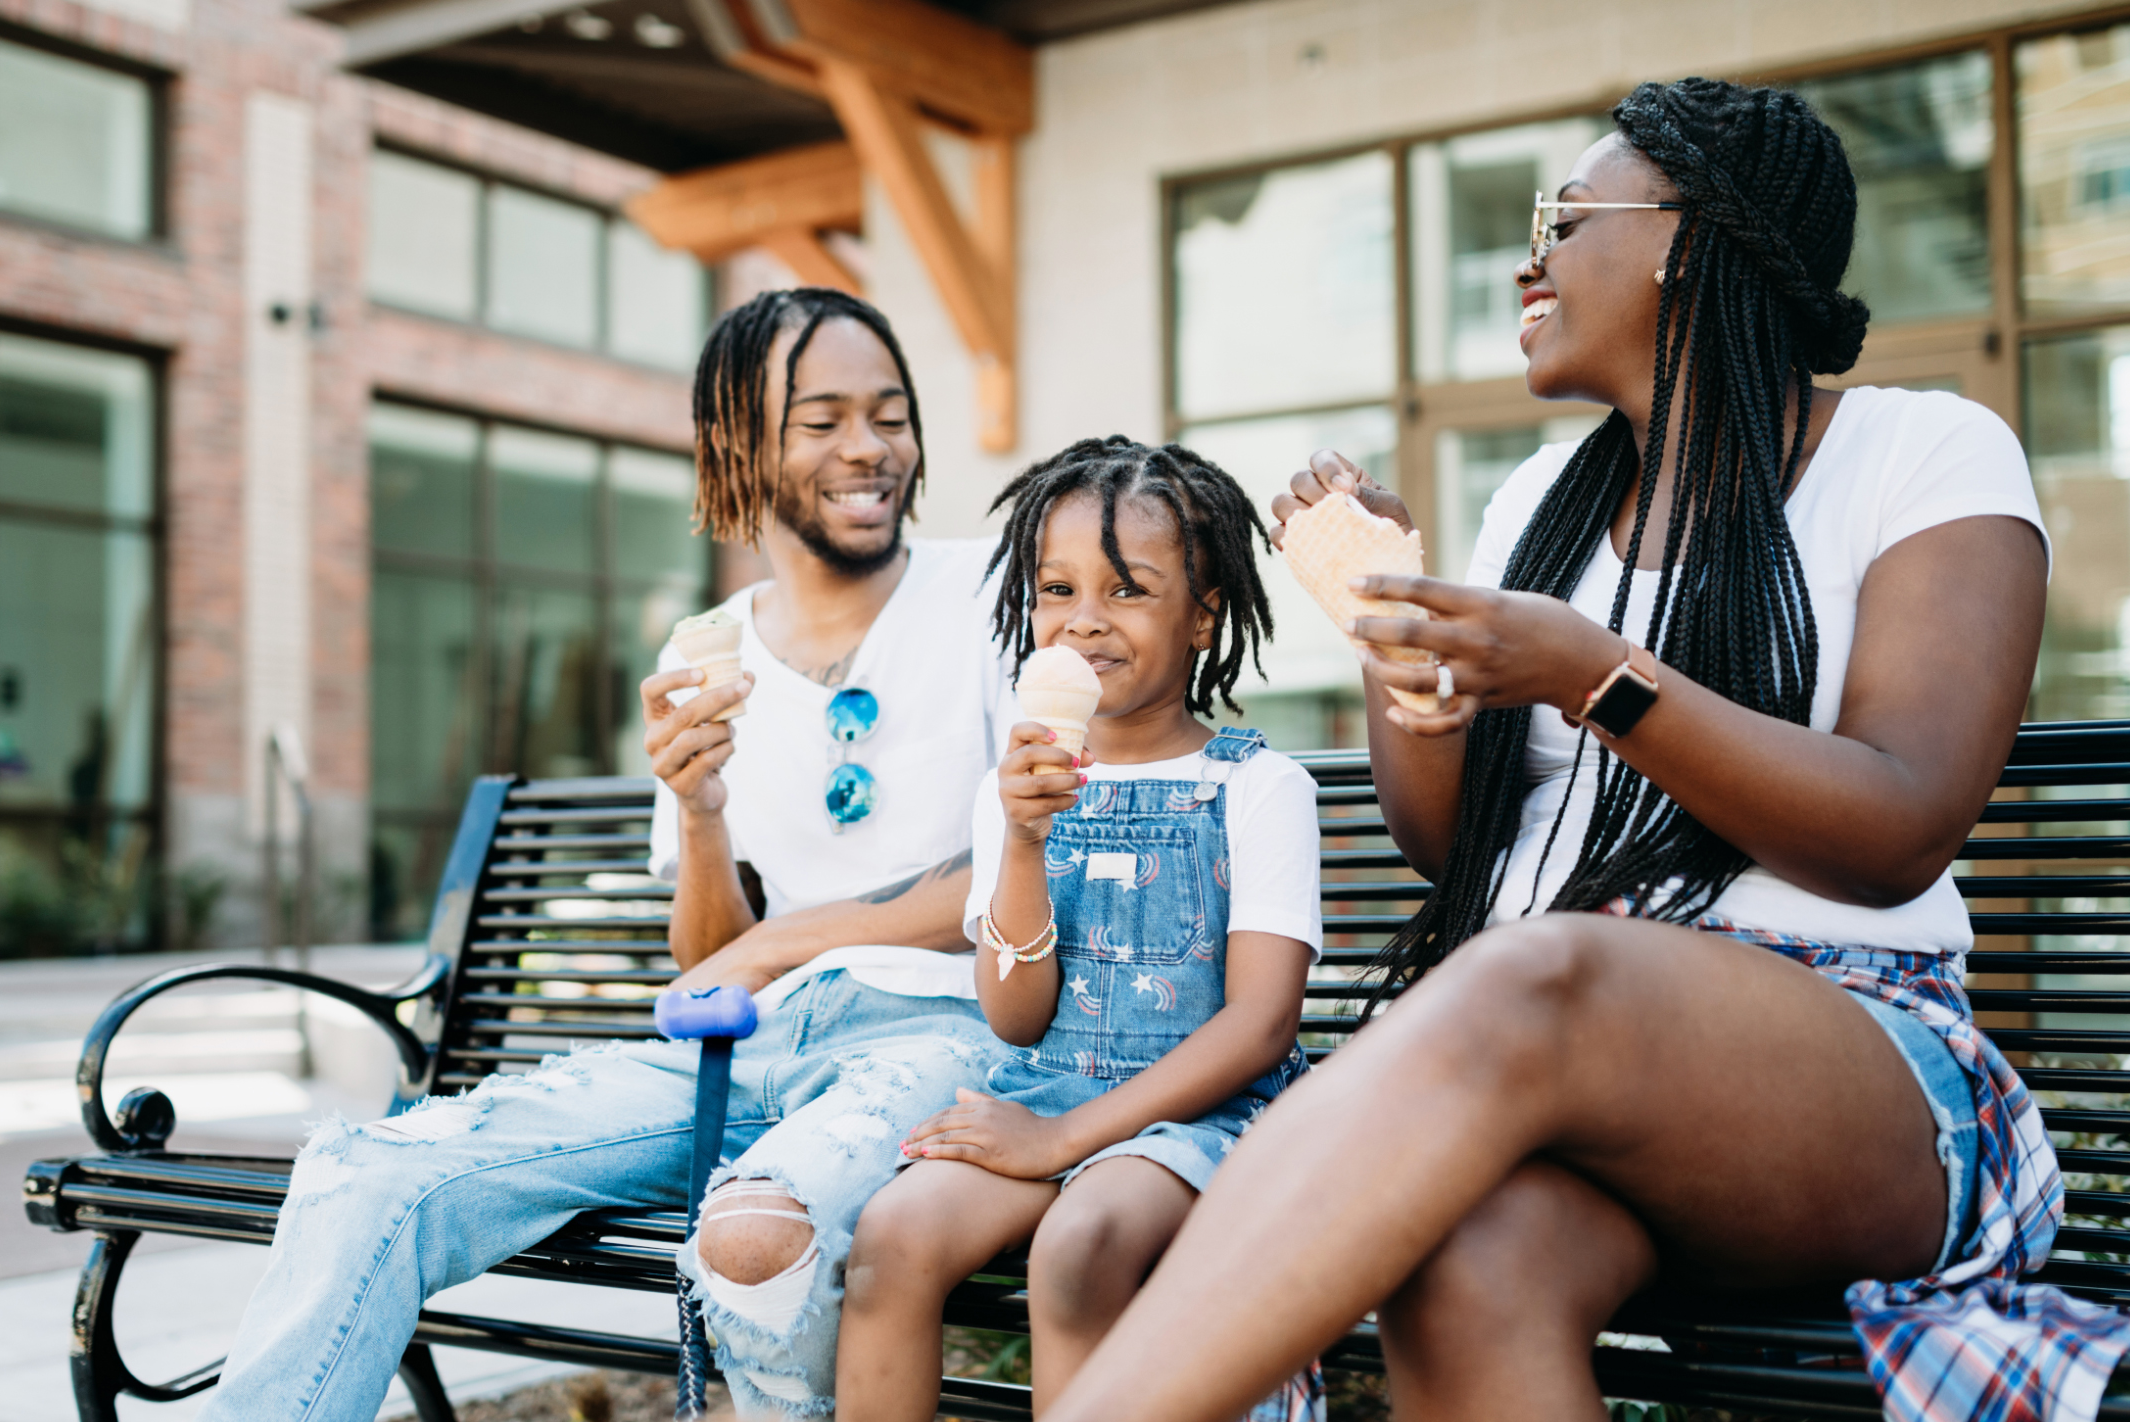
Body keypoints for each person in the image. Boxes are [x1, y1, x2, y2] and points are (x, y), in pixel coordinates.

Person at [1035, 80, 2113, 1422]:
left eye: (1565, 215)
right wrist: (1399, 641)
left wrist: (1594, 675)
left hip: (1859, 1062)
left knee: (1541, 965)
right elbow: (1451, 843)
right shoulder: (1540, 503)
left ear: (1689, 235)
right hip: (1544, 1062)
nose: (1530, 255)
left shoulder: (1926, 453)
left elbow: (1900, 826)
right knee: (1468, 1271)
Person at [200, 288, 1013, 1421]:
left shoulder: (996, 595)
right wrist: (696, 809)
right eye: (821, 420)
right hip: (741, 1051)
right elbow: (706, 967)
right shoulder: (706, 646)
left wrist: (792, 937)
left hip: (945, 1036)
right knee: (361, 1176)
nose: (869, 449)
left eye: (889, 414)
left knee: (759, 1238)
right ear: (737, 446)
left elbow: (1034, 870)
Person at [833, 436, 1322, 1421]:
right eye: (1055, 591)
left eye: (1127, 590)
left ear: (1204, 613)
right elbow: (1014, 1019)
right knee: (890, 1236)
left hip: (1205, 1116)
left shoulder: (1259, 789)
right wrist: (1018, 842)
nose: (1082, 623)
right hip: (1042, 1088)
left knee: (1077, 1244)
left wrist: (1064, 1139)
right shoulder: (1010, 789)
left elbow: (1258, 1026)